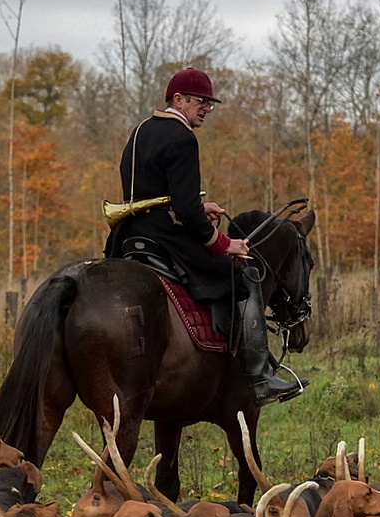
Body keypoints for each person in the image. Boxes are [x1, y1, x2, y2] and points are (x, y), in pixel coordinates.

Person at [103, 67, 304, 406]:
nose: (207, 108)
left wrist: (197, 204)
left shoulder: (139, 131)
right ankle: (257, 376)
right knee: (241, 278)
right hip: (161, 235)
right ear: (178, 100)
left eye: (210, 103)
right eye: (201, 101)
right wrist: (227, 244)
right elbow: (188, 217)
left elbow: (154, 190)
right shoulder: (182, 137)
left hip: (127, 235)